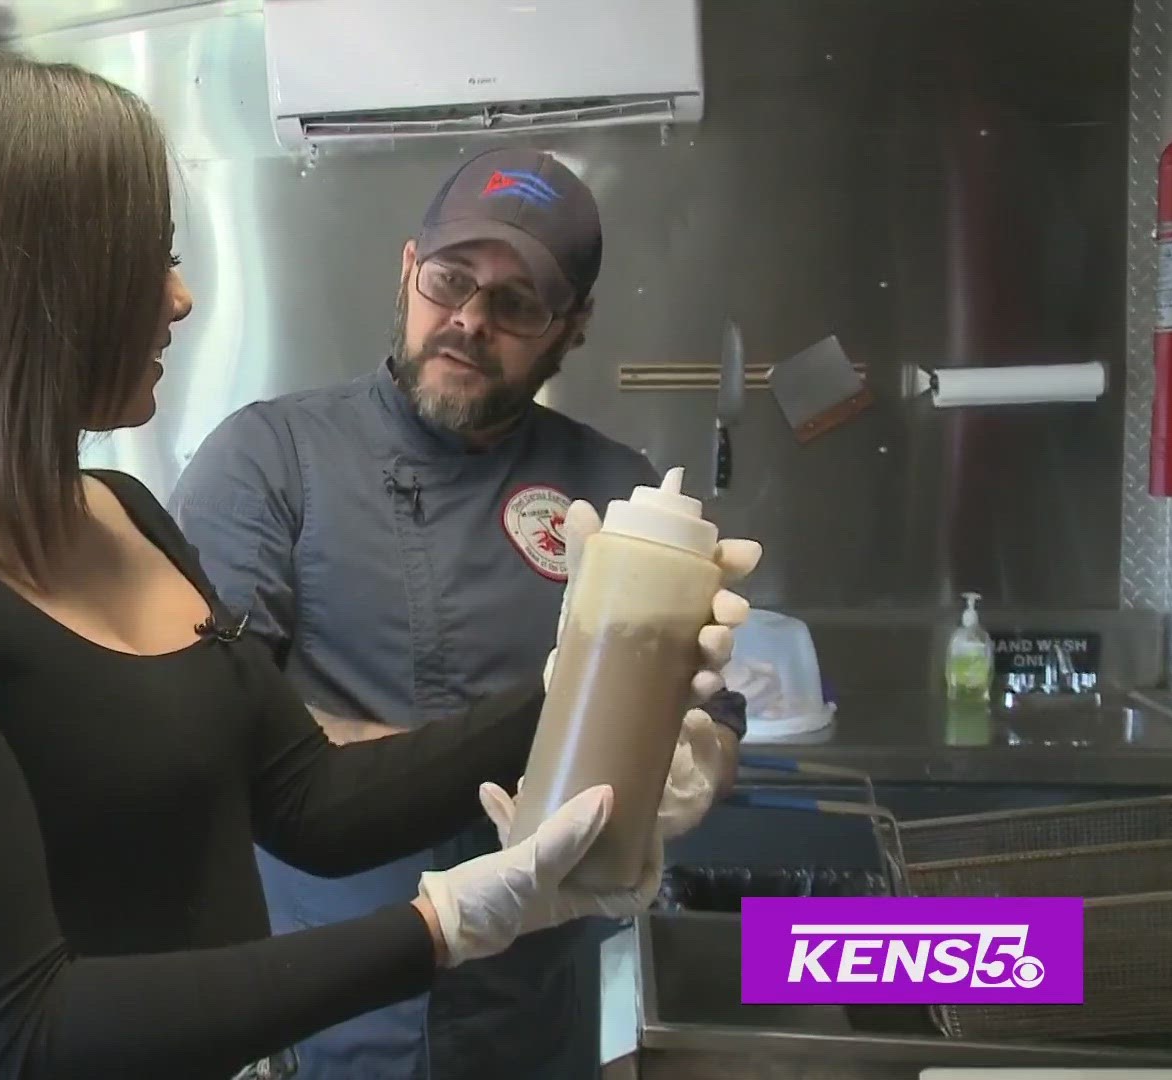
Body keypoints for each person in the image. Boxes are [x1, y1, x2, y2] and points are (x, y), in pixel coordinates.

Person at [0, 51, 758, 1080]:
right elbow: (15, 1037)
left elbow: (309, 800)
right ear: (26, 283)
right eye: (150, 257)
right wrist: (439, 926)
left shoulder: (117, 512)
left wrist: (588, 682)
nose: (179, 298)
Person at [169, 146, 760, 1080]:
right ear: (408, 270)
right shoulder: (269, 459)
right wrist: (498, 757)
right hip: (324, 1014)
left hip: (533, 1029)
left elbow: (712, 713)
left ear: (571, 329)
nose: (470, 321)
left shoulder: (618, 494)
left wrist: (688, 763)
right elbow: (215, 728)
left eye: (518, 304)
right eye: (450, 280)